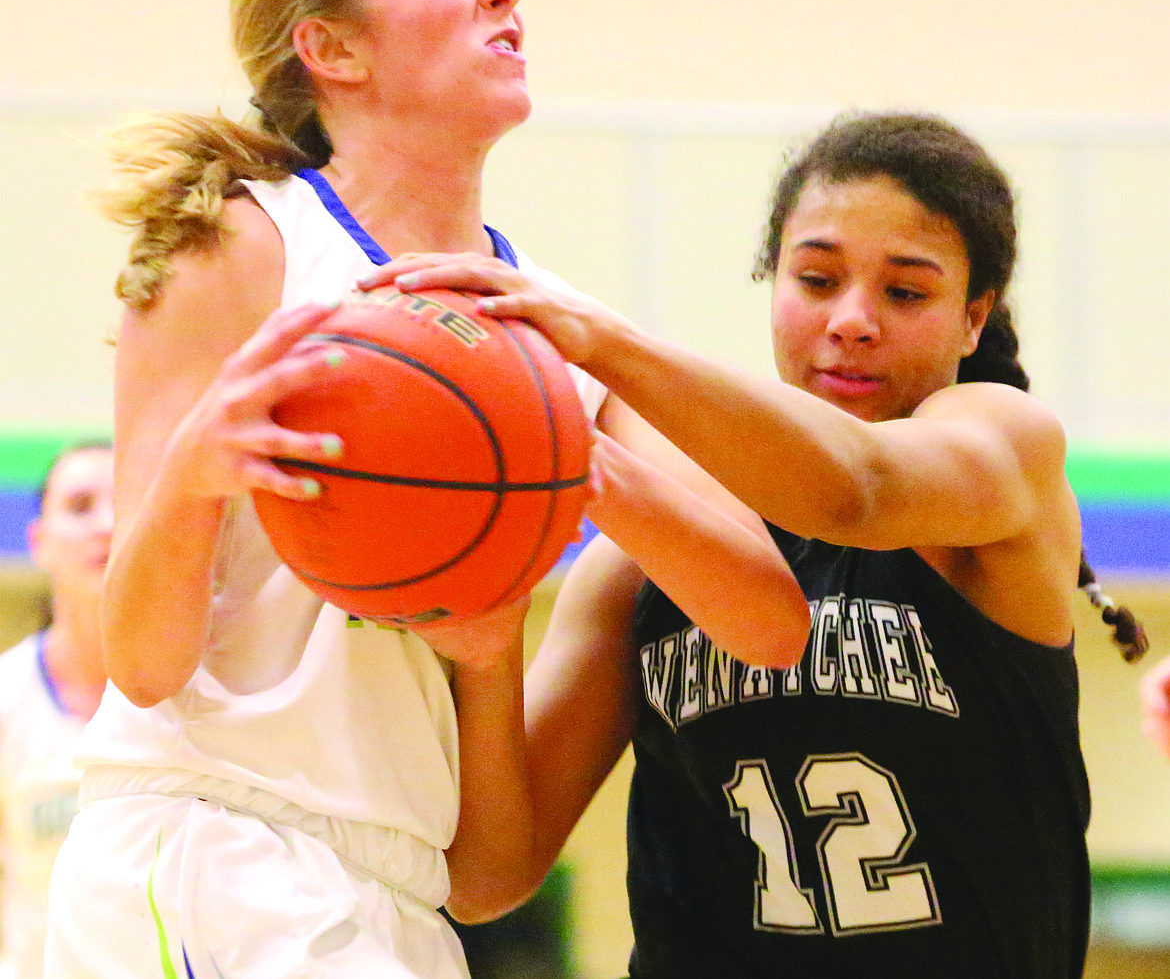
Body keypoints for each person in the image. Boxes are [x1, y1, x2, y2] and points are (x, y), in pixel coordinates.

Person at [44, 0, 803, 979]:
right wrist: (195, 477)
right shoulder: (242, 248)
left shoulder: (542, 321)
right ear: (334, 50)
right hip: (210, 847)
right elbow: (147, 667)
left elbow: (772, 622)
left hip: (394, 897)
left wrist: (573, 460)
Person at [371, 111, 1138, 977]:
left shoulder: (1003, 450)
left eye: (905, 292)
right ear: (771, 283)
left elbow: (858, 490)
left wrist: (600, 353)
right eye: (816, 279)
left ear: (973, 317)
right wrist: (487, 647)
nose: (852, 320)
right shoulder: (644, 562)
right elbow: (486, 880)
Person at [0, 441, 112, 979]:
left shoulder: (202, 694)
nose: (107, 525)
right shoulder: (7, 699)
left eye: (130, 503)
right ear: (39, 542)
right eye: (82, 505)